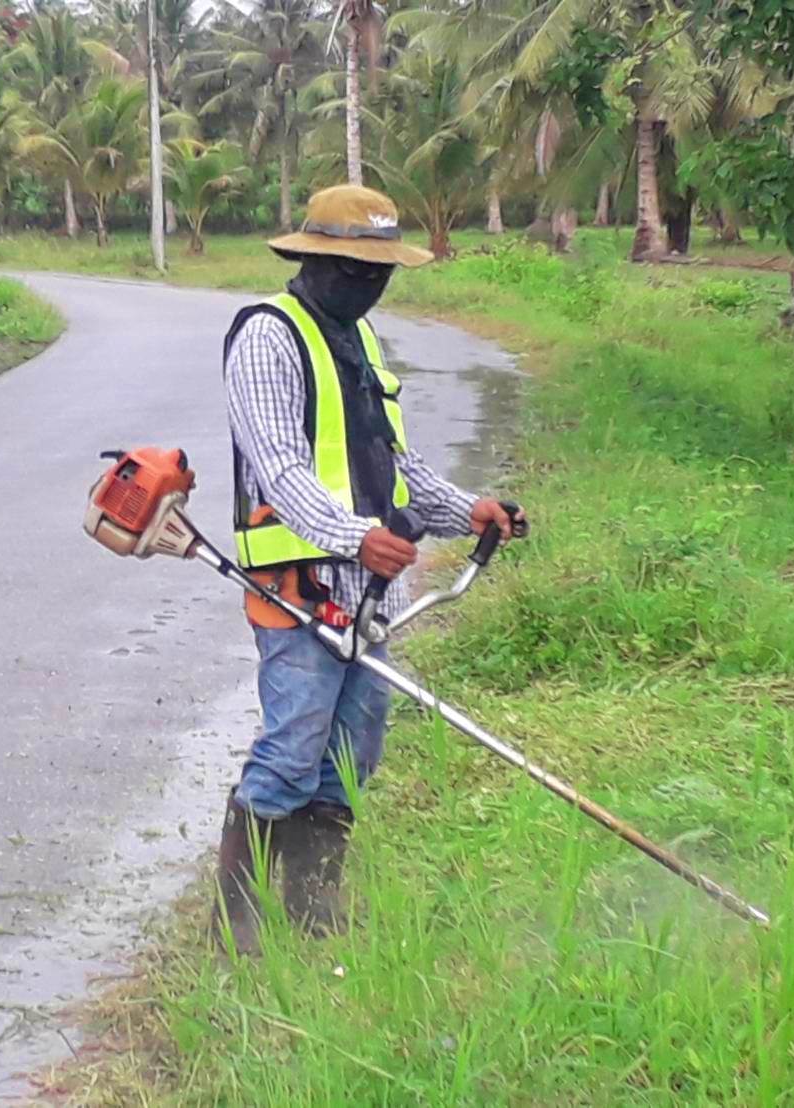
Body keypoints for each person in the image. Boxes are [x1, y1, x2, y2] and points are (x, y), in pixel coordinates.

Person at [215, 184, 525, 953]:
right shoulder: (267, 336)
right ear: (311, 259)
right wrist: (352, 536)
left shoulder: (360, 342)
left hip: (365, 591)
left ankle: (313, 911)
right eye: (352, 270)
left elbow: (399, 465)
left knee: (354, 750)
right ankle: (238, 928)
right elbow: (281, 469)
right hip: (298, 588)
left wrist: (469, 510)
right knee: (292, 749)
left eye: (378, 272)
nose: (366, 284)